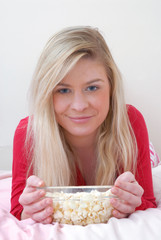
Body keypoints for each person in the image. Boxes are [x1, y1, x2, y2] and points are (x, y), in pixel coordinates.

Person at [10, 26, 156, 224]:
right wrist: (30, 210)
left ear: (111, 87)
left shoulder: (130, 121)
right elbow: (19, 210)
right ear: (46, 94)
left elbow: (146, 201)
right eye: (63, 90)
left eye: (92, 87)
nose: (79, 106)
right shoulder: (27, 132)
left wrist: (133, 203)